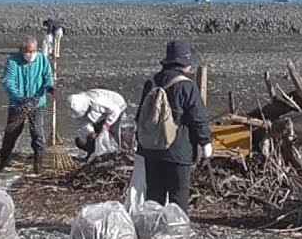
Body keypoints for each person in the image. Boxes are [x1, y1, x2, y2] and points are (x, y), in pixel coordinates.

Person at [136, 41, 211, 213]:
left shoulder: (152, 82)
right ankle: (176, 235)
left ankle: (152, 231)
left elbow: (140, 117)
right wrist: (205, 142)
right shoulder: (187, 86)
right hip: (179, 151)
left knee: (154, 196)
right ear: (186, 63)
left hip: (151, 149)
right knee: (178, 197)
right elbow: (198, 118)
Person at [0, 36, 55, 173]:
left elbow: (48, 77)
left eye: (33, 51)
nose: (31, 54)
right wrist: (19, 97)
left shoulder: (42, 60)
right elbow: (8, 82)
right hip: (18, 103)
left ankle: (38, 164)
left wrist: (50, 87)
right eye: (28, 52)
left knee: (37, 133)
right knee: (11, 132)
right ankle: (4, 160)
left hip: (37, 102)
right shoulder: (13, 61)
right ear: (22, 51)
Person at [67, 88, 127, 159]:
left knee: (114, 130)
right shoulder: (77, 110)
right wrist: (90, 133)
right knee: (98, 132)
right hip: (102, 113)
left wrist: (107, 124)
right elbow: (83, 124)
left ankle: (123, 151)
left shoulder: (98, 101)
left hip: (117, 105)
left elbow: (115, 110)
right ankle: (95, 152)